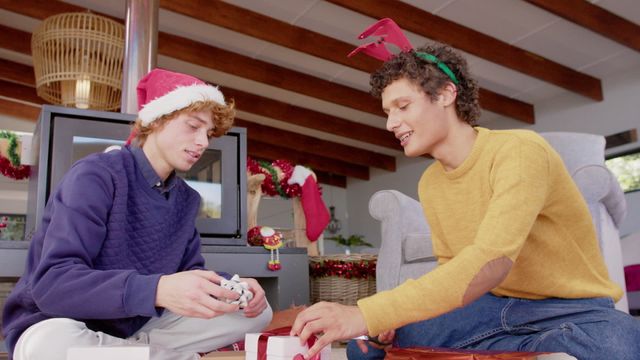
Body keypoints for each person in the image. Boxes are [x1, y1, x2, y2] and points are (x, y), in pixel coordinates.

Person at [291, 39, 640, 360]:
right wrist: (389, 318)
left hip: (568, 307)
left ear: (446, 94)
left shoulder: (519, 151)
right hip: (490, 307)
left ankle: (525, 346)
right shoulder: (431, 182)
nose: (391, 124)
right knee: (365, 348)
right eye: (387, 112)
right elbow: (453, 269)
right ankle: (532, 348)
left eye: (402, 106)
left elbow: (491, 262)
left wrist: (368, 310)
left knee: (620, 345)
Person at [2, 69, 272, 360]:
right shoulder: (96, 175)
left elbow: (189, 273)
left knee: (257, 314)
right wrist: (157, 290)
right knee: (47, 345)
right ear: (156, 120)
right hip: (60, 322)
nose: (204, 143)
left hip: (136, 324)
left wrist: (230, 285)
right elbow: (53, 285)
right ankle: (146, 353)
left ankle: (130, 352)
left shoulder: (186, 199)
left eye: (208, 134)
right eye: (193, 126)